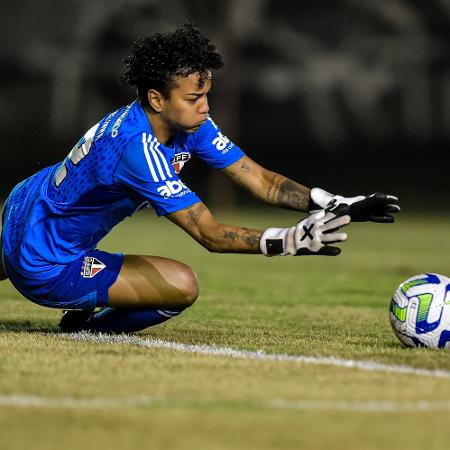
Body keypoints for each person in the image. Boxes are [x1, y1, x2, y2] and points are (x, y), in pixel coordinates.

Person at [0, 24, 399, 333]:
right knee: (182, 286)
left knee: (16, 250)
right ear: (157, 99)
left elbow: (261, 180)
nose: (206, 107)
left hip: (22, 204)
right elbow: (208, 234)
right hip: (47, 261)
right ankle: (85, 324)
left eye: (206, 94)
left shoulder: (183, 122)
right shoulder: (136, 149)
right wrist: (288, 241)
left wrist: (336, 203)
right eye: (194, 98)